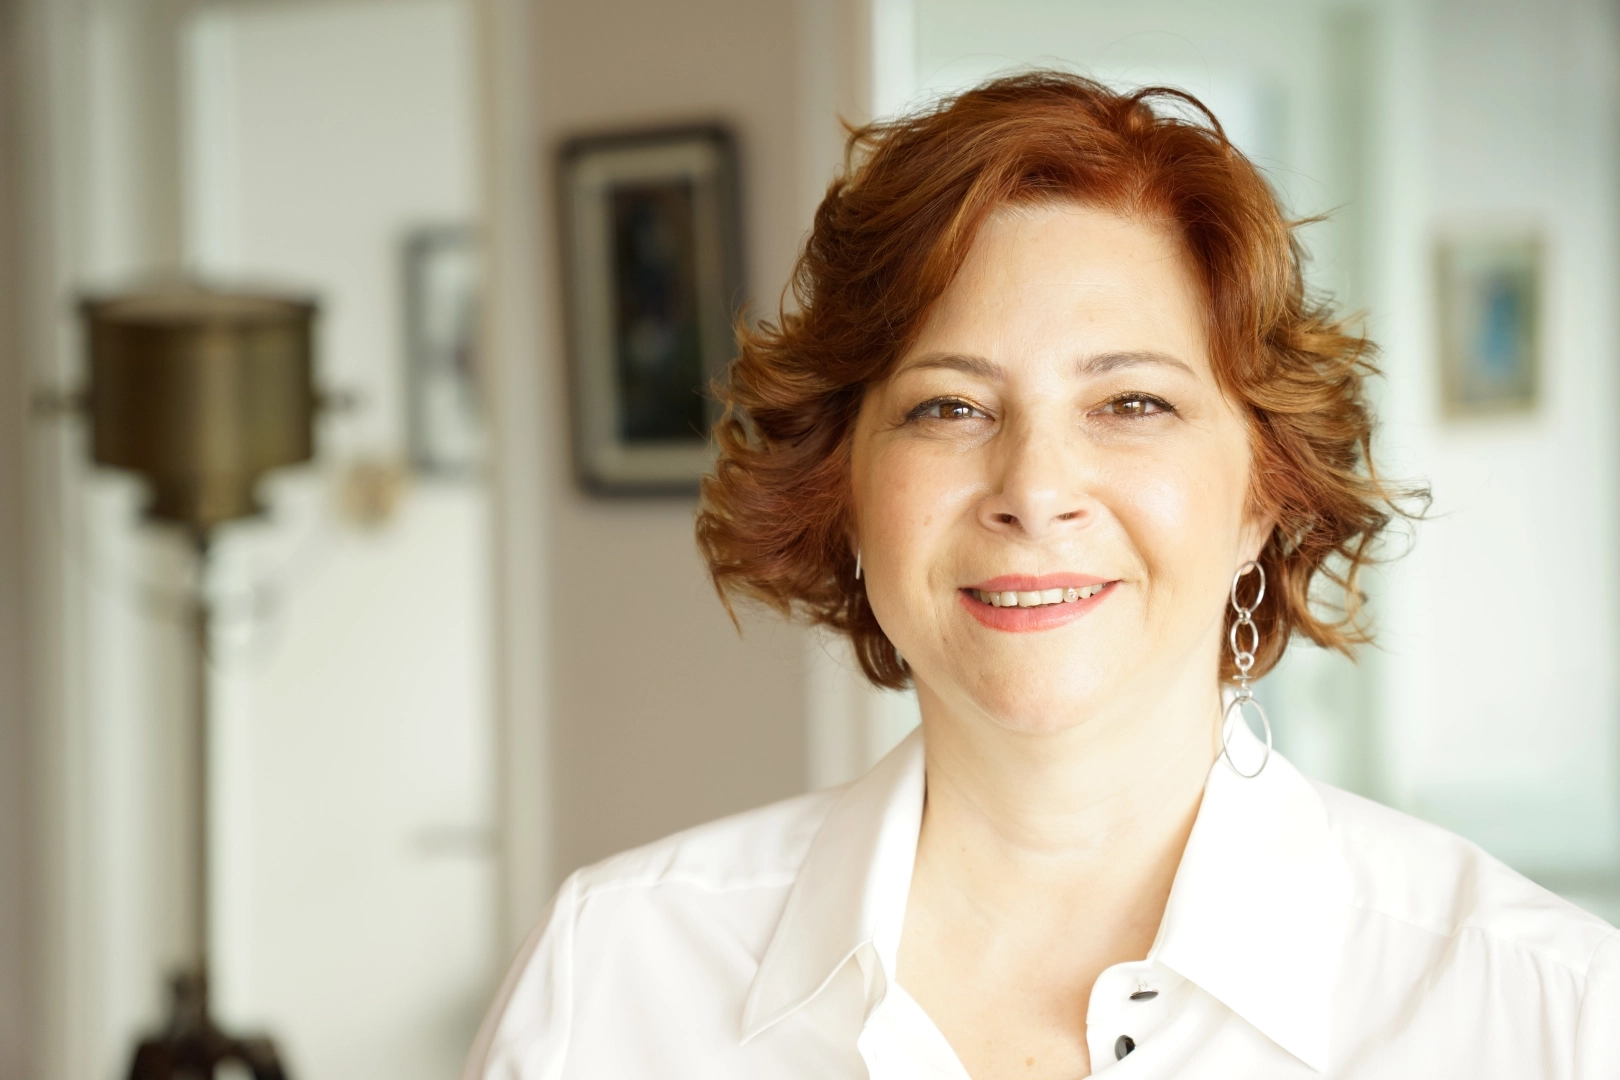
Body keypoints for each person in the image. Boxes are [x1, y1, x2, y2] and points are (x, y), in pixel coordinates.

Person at [464, 73, 1618, 1078]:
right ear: (844, 483)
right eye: (950, 407)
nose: (1035, 488)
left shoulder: (1544, 1014)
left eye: (1132, 403)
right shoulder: (613, 974)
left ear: (1265, 492)